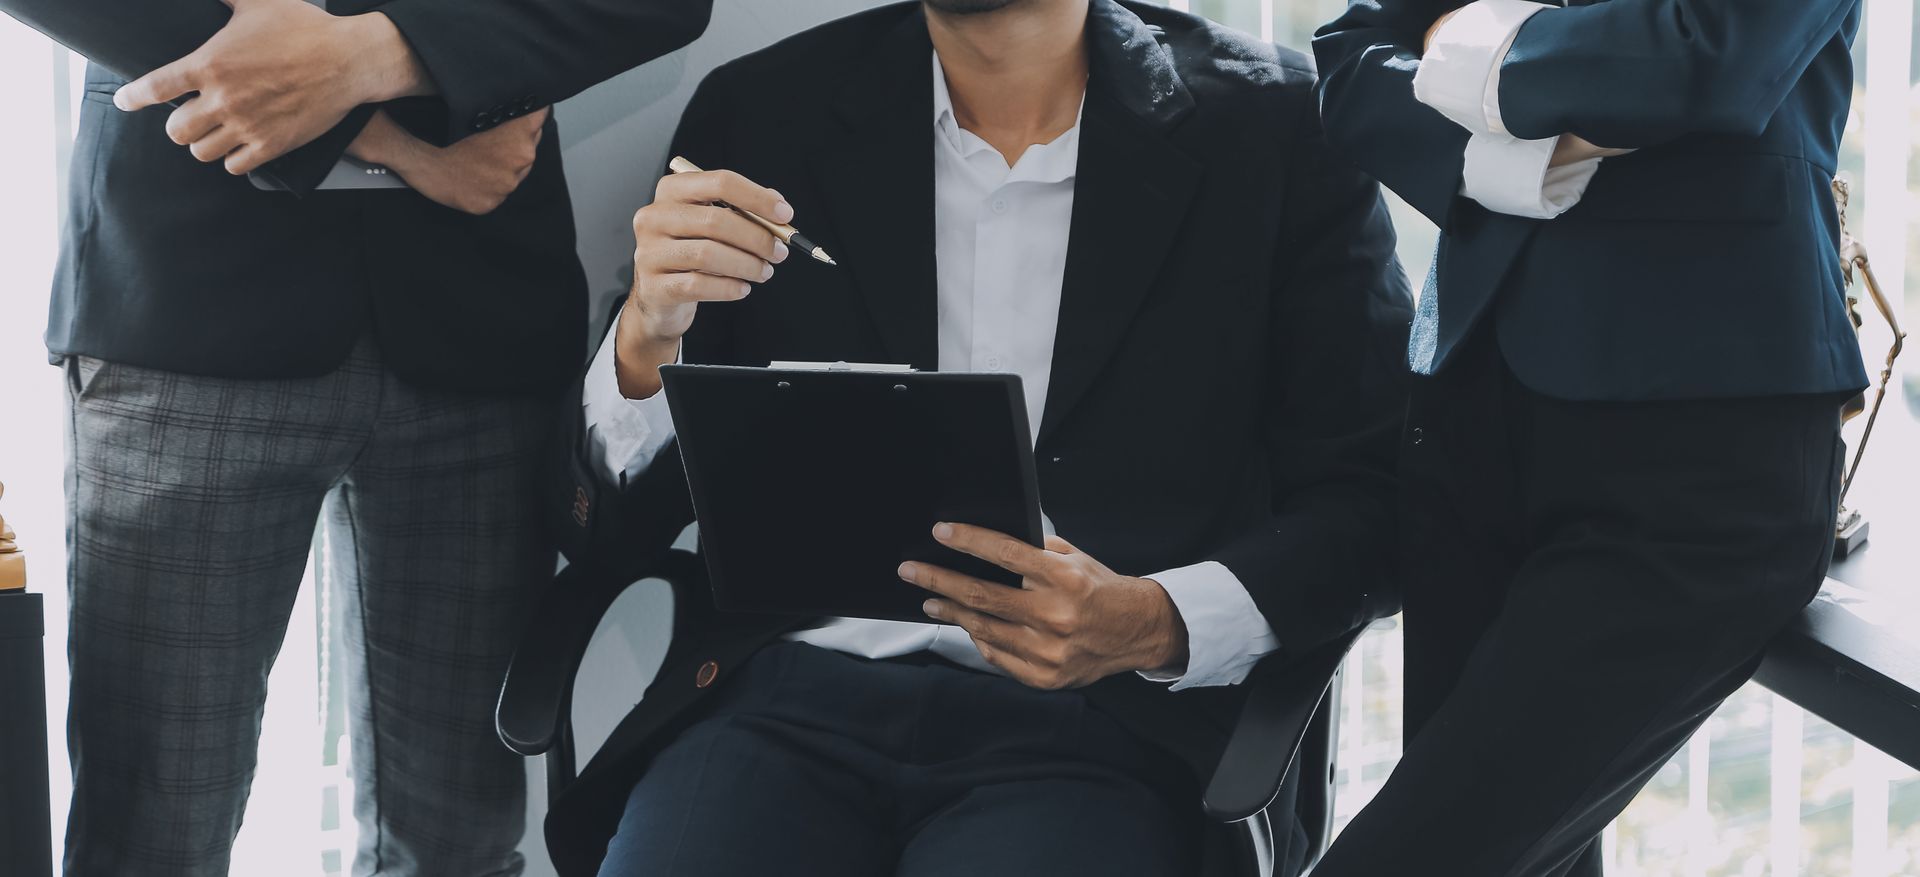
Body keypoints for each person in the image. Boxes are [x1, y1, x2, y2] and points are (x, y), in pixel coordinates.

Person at [549, 1, 1414, 875]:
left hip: (1102, 729)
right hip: (779, 706)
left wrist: (1156, 622)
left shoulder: (1280, 127)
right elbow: (606, 525)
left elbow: (1375, 497)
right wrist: (644, 338)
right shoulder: (763, 110)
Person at [48, 0, 714, 873]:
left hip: (478, 320)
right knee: (149, 839)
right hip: (188, 295)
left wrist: (367, 59)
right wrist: (372, 127)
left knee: (457, 842)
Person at [1311, 1, 1868, 874]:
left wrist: (1467, 46)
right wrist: (1510, 159)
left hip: (1698, 457)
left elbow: (1707, 57)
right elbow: (1349, 58)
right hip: (1467, 413)